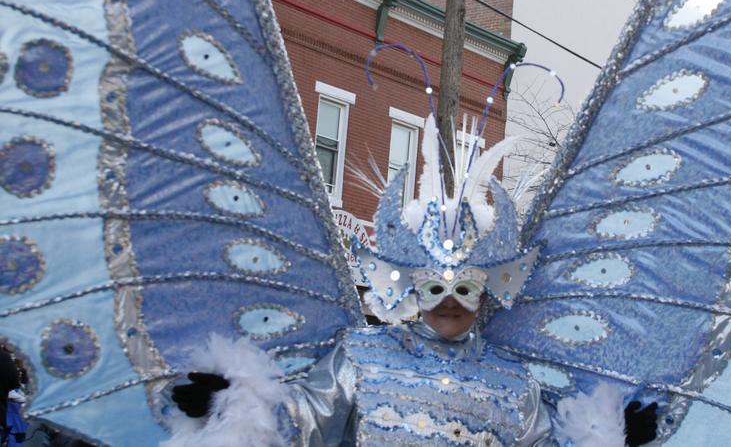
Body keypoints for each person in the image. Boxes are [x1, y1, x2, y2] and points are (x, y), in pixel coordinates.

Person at [168, 117, 660, 446]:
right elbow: (301, 425)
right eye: (434, 287)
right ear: (410, 287)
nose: (450, 301)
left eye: (464, 287)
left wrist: (613, 435)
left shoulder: (515, 383)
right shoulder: (360, 357)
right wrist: (228, 404)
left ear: (486, 291)